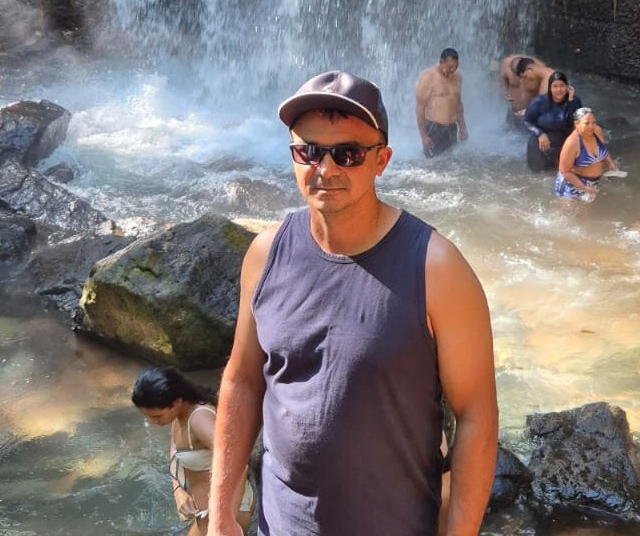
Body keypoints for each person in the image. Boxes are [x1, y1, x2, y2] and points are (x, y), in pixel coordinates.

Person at [208, 71, 498, 536]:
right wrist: (220, 515)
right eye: (309, 151)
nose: (325, 169)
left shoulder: (438, 269)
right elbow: (242, 380)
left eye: (347, 154)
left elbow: (477, 416)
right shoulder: (264, 254)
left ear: (382, 160)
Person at [132, 367, 253, 536]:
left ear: (176, 402)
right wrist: (178, 491)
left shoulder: (199, 419)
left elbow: (239, 465)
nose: (153, 422)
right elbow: (174, 451)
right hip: (207, 515)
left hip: (226, 514)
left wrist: (224, 521)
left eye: (157, 416)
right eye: (149, 417)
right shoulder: (179, 416)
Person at [522, 71, 581, 171]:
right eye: (555, 86)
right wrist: (540, 133)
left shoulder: (574, 101)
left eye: (562, 86)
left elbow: (578, 123)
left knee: (565, 173)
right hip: (540, 145)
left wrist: (571, 100)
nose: (559, 90)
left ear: (567, 87)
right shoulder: (539, 102)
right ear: (550, 88)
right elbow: (526, 121)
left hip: (563, 145)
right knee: (539, 176)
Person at [555, 107, 618, 200]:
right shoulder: (572, 143)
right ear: (576, 124)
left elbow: (603, 150)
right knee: (572, 209)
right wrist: (584, 188)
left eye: (593, 122)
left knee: (590, 209)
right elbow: (564, 171)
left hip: (593, 183)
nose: (591, 126)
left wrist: (611, 164)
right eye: (587, 123)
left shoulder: (597, 130)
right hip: (572, 185)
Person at [415, 48, 469, 157]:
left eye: (455, 66)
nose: (452, 70)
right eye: (450, 67)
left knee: (452, 160)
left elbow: (458, 105)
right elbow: (420, 108)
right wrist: (424, 136)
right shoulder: (428, 77)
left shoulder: (457, 77)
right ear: (441, 62)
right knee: (432, 163)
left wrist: (462, 127)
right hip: (434, 128)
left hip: (451, 128)